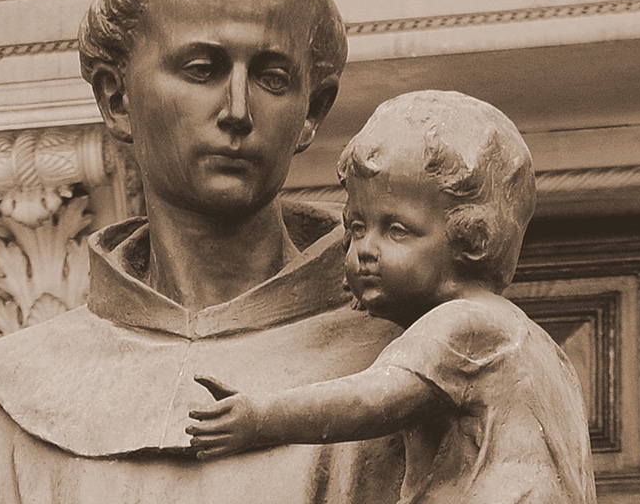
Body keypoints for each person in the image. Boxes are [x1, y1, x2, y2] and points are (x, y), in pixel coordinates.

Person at [0, 0, 405, 503]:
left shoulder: (414, 365)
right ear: (116, 97)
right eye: (201, 69)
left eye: (271, 76)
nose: (237, 109)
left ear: (312, 110)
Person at [186, 90, 598, 504]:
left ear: (472, 238)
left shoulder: (466, 326)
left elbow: (372, 400)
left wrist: (260, 419)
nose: (364, 249)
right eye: (357, 228)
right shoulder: (542, 349)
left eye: (396, 230)